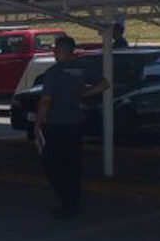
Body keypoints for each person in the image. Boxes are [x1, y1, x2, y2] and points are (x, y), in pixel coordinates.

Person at [34, 36, 110, 218]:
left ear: (60, 51)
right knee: (73, 164)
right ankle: (73, 201)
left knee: (51, 163)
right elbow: (104, 84)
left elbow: (45, 101)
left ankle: (65, 200)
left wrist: (38, 123)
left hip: (57, 124)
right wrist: (83, 93)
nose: (53, 53)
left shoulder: (53, 72)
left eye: (54, 50)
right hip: (76, 121)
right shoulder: (83, 68)